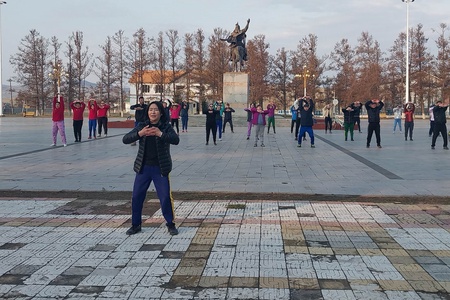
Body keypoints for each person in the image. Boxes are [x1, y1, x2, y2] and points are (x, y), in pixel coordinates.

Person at [122, 101, 180, 236]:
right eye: (150, 110)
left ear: (160, 112)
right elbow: (126, 139)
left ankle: (170, 224)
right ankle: (135, 225)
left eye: (156, 110)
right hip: (143, 168)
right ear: (147, 112)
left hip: (160, 168)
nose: (153, 112)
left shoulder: (165, 127)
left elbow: (175, 140)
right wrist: (140, 133)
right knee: (137, 196)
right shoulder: (142, 126)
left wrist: (160, 134)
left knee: (165, 197)